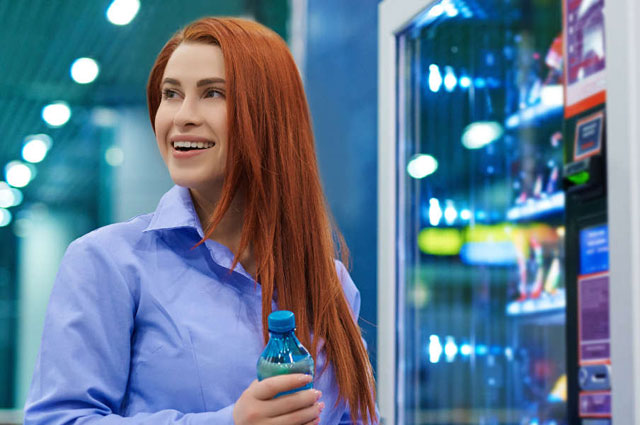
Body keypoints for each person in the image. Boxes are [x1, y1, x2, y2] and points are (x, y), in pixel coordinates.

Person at [23, 16, 378, 425]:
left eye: (212, 93)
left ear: (271, 116)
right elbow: (58, 420)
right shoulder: (108, 263)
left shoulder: (329, 283)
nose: (181, 116)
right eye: (170, 94)